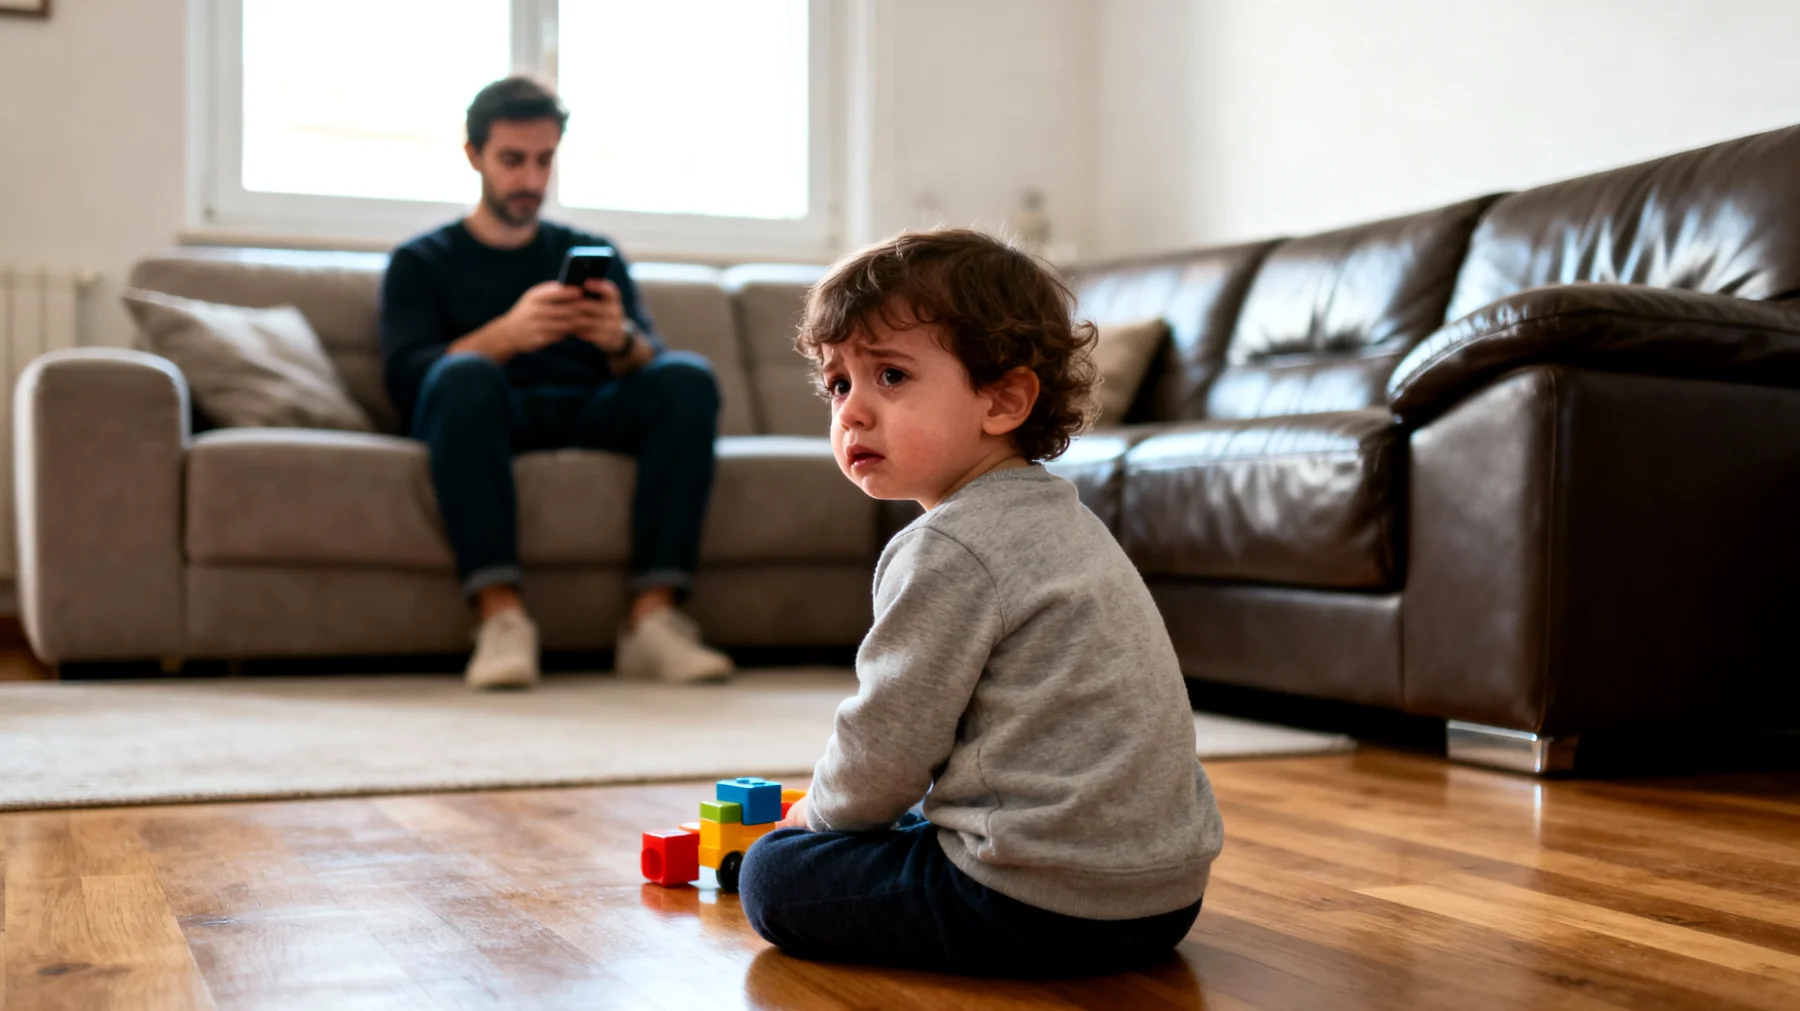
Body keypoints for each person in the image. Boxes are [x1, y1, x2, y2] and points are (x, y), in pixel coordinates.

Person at [736, 229, 1224, 976]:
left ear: (1004, 399)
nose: (852, 412)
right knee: (894, 823)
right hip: (1162, 898)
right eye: (838, 384)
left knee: (772, 872)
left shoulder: (949, 545)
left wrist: (817, 816)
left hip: (1032, 903)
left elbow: (887, 745)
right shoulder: (1065, 518)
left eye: (890, 376)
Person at [379, 76, 734, 690]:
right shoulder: (421, 261)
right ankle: (501, 618)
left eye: (544, 160)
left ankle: (653, 621)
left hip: (588, 406)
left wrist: (617, 338)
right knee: (464, 373)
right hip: (491, 413)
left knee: (687, 378)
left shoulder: (591, 249)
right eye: (513, 160)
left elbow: (651, 359)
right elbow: (408, 380)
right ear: (474, 156)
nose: (531, 180)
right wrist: (506, 336)